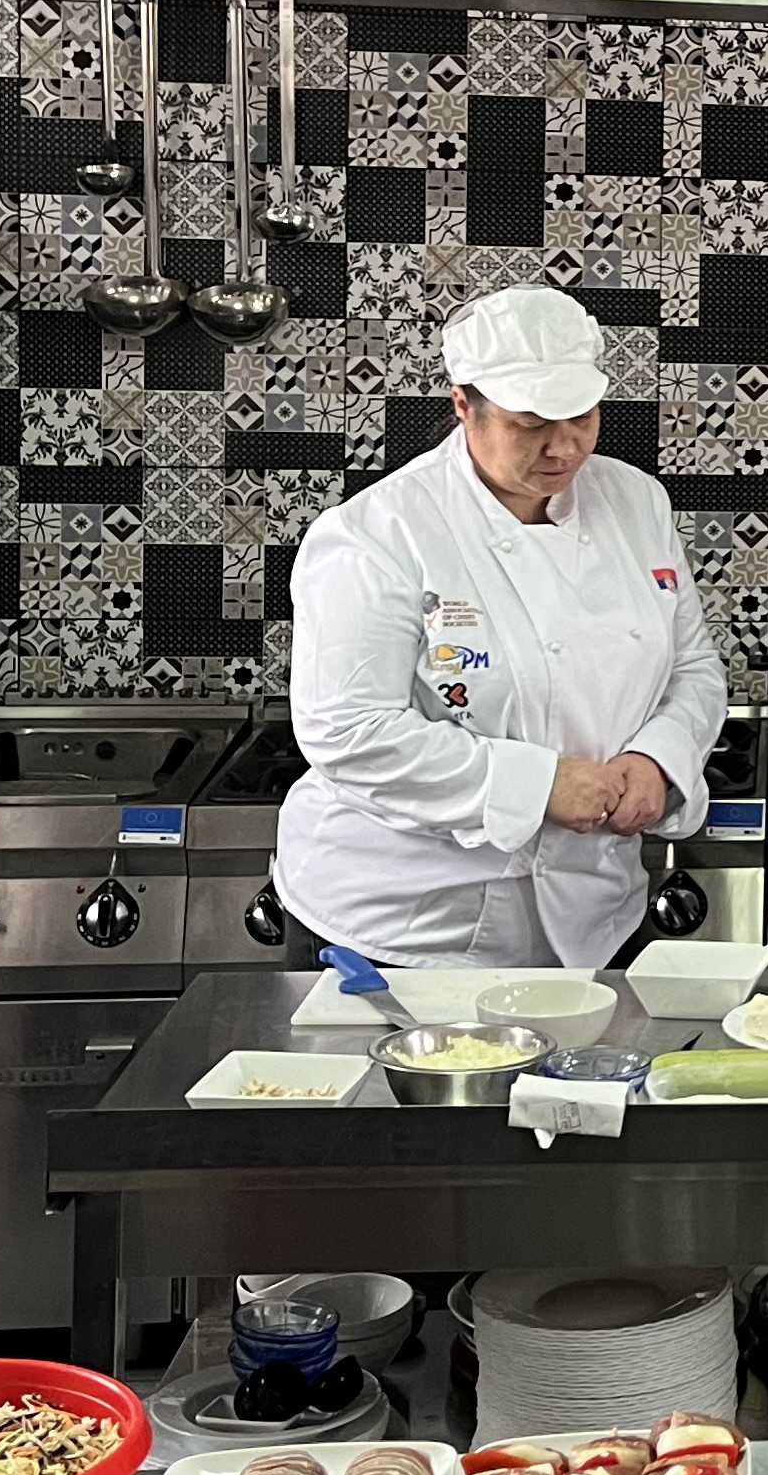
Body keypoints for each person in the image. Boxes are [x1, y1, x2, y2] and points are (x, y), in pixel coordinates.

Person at [274, 287, 729, 970]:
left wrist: (658, 759)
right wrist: (535, 786)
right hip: (407, 925)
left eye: (582, 417)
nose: (564, 446)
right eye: (530, 423)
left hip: (597, 912)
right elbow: (348, 730)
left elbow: (692, 668)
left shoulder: (636, 501)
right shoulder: (378, 532)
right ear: (464, 405)